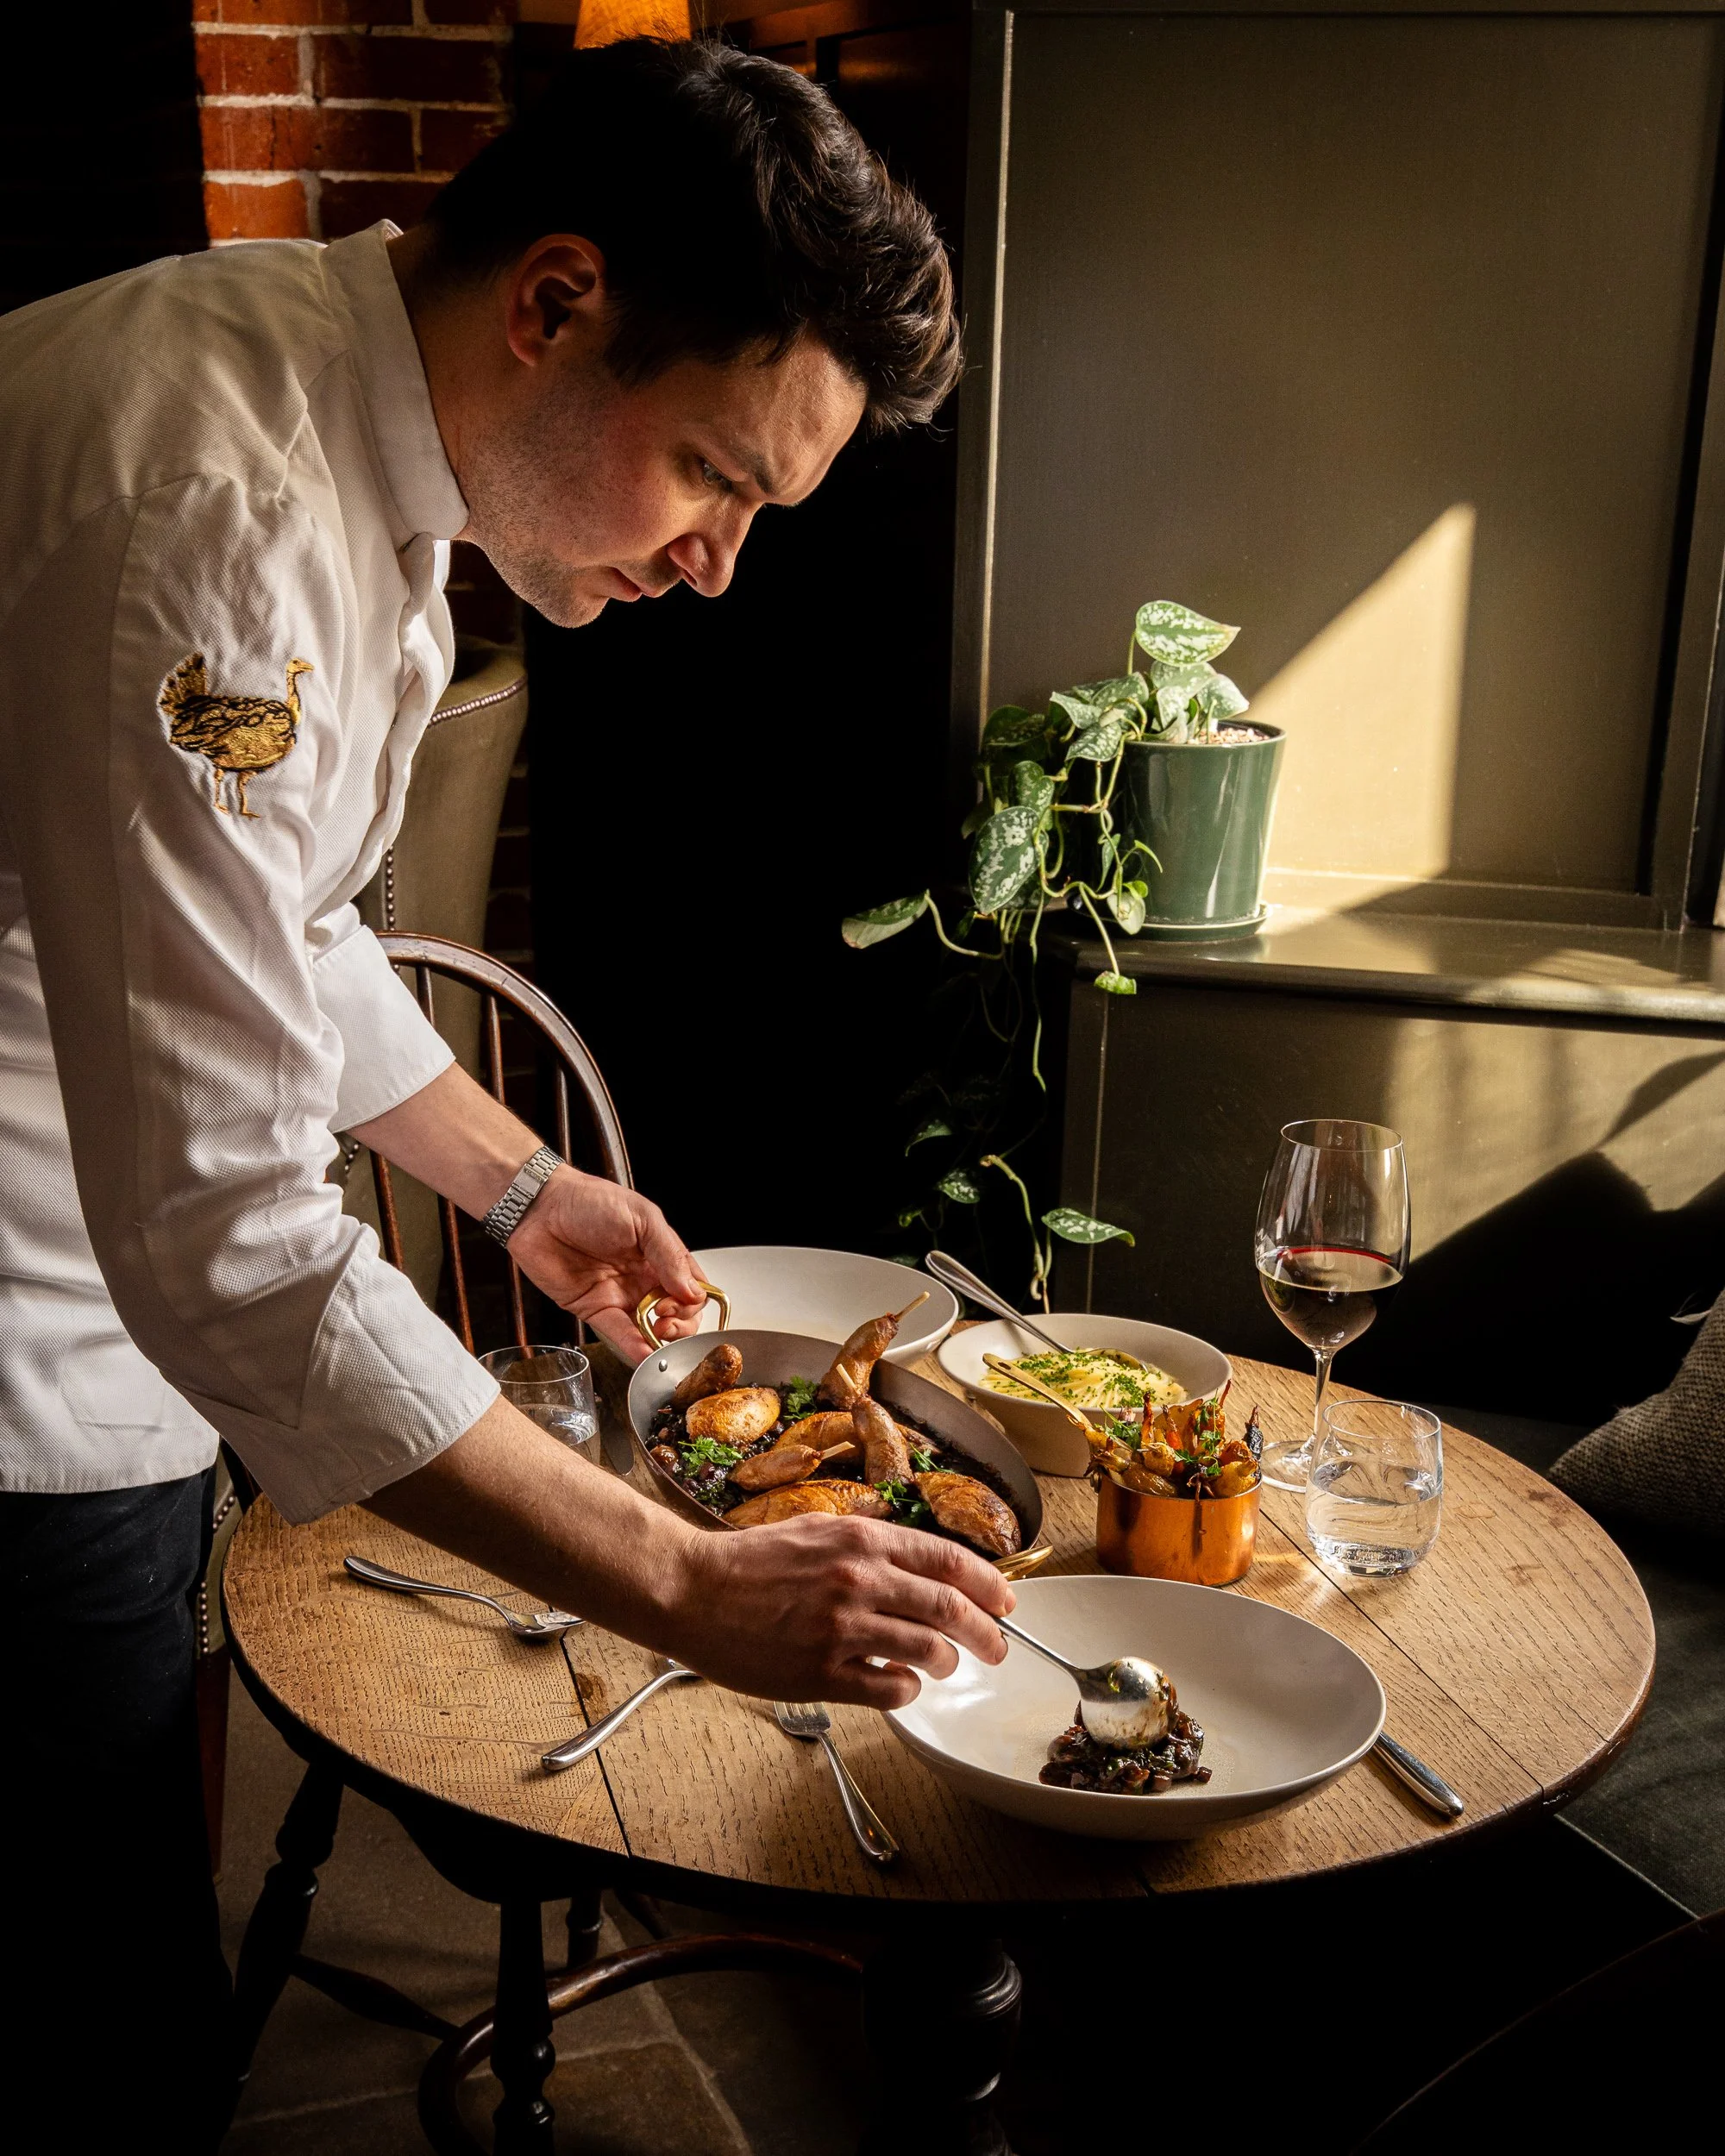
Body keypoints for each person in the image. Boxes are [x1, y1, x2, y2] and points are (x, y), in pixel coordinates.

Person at [0, 39, 1006, 2147]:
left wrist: (519, 1178)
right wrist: (687, 1584)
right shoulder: (212, 503)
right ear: (556, 300)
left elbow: (286, 931)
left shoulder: (329, 419)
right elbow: (226, 1231)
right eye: (716, 476)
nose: (719, 561)